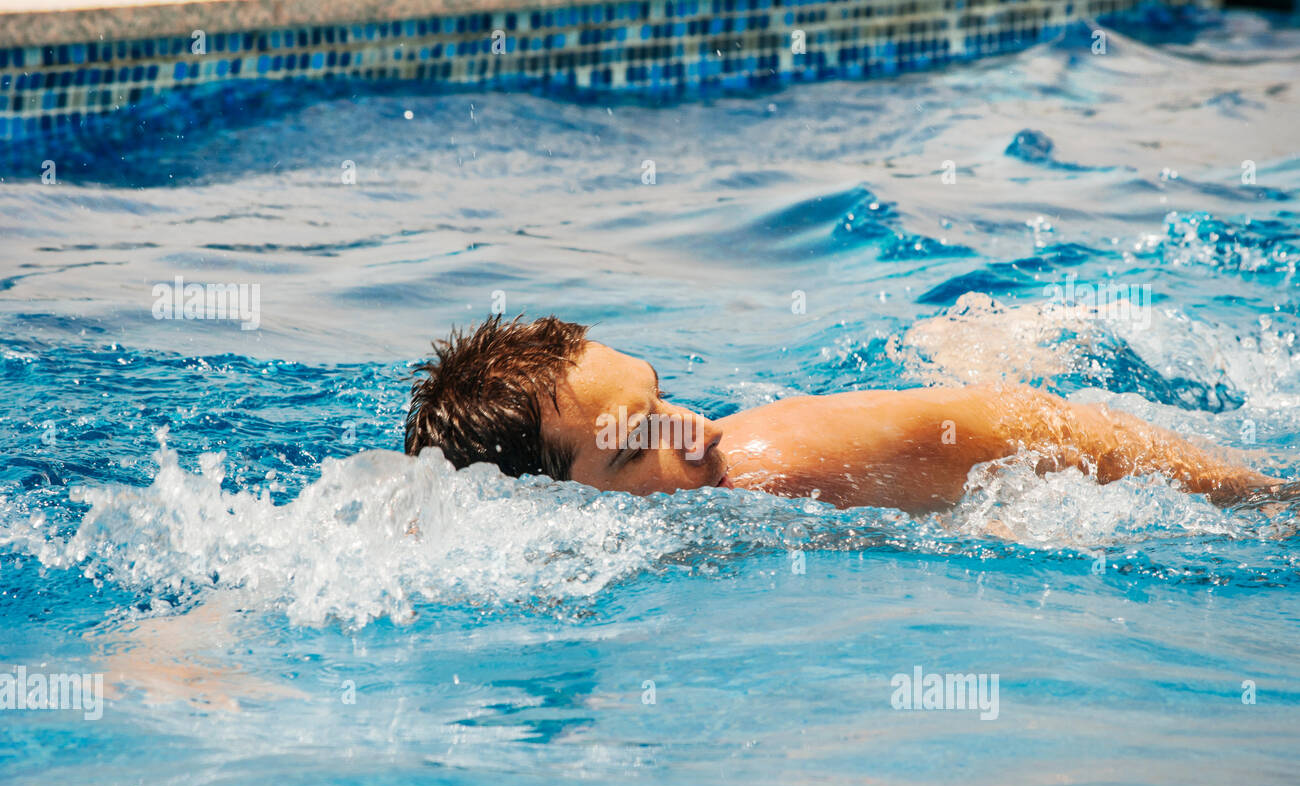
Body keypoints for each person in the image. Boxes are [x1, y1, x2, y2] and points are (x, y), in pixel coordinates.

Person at [403, 314, 1281, 513]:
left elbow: (1021, 420)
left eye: (662, 395)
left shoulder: (769, 462)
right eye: (640, 444)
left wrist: (1261, 493)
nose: (698, 429)